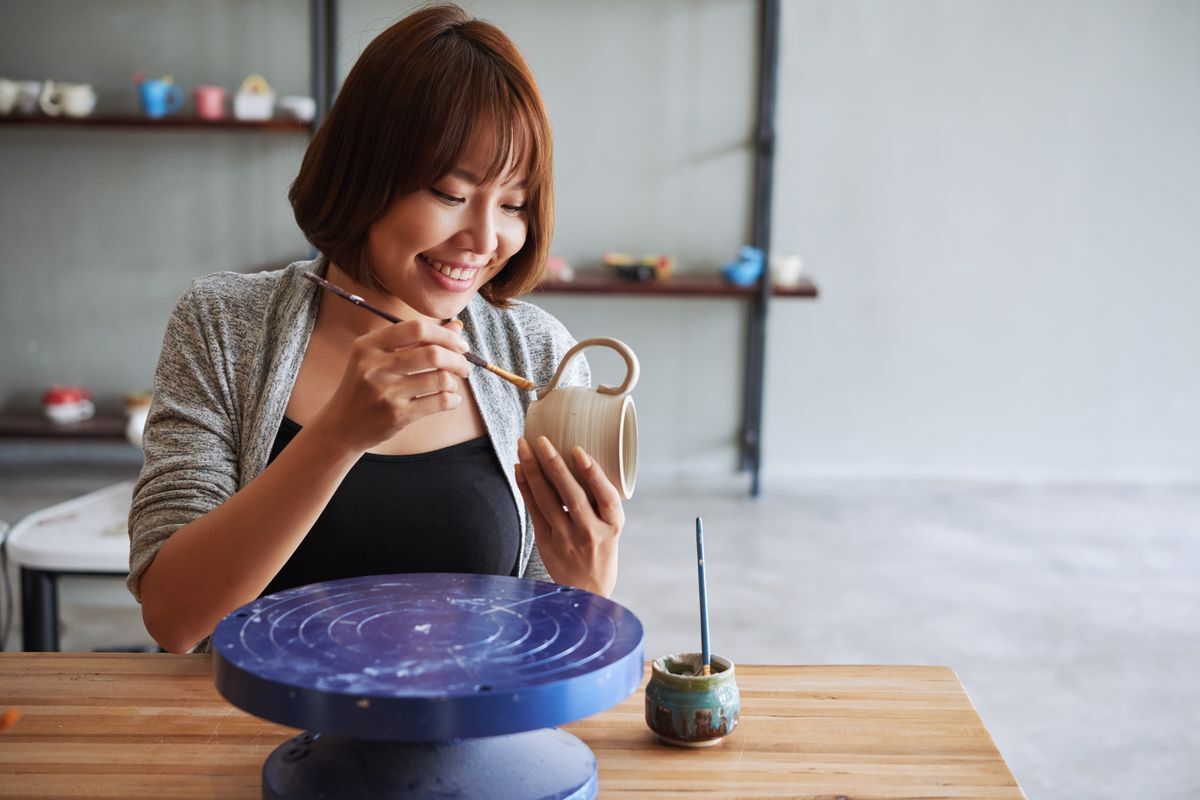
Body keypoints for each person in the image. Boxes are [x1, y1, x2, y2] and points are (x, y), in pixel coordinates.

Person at [127, 3, 625, 654]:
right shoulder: (222, 323)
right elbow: (173, 618)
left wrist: (592, 586)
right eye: (450, 194)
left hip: (471, 718)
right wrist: (337, 435)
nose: (484, 239)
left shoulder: (537, 354)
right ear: (365, 174)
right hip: (258, 717)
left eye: (513, 204)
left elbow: (553, 647)